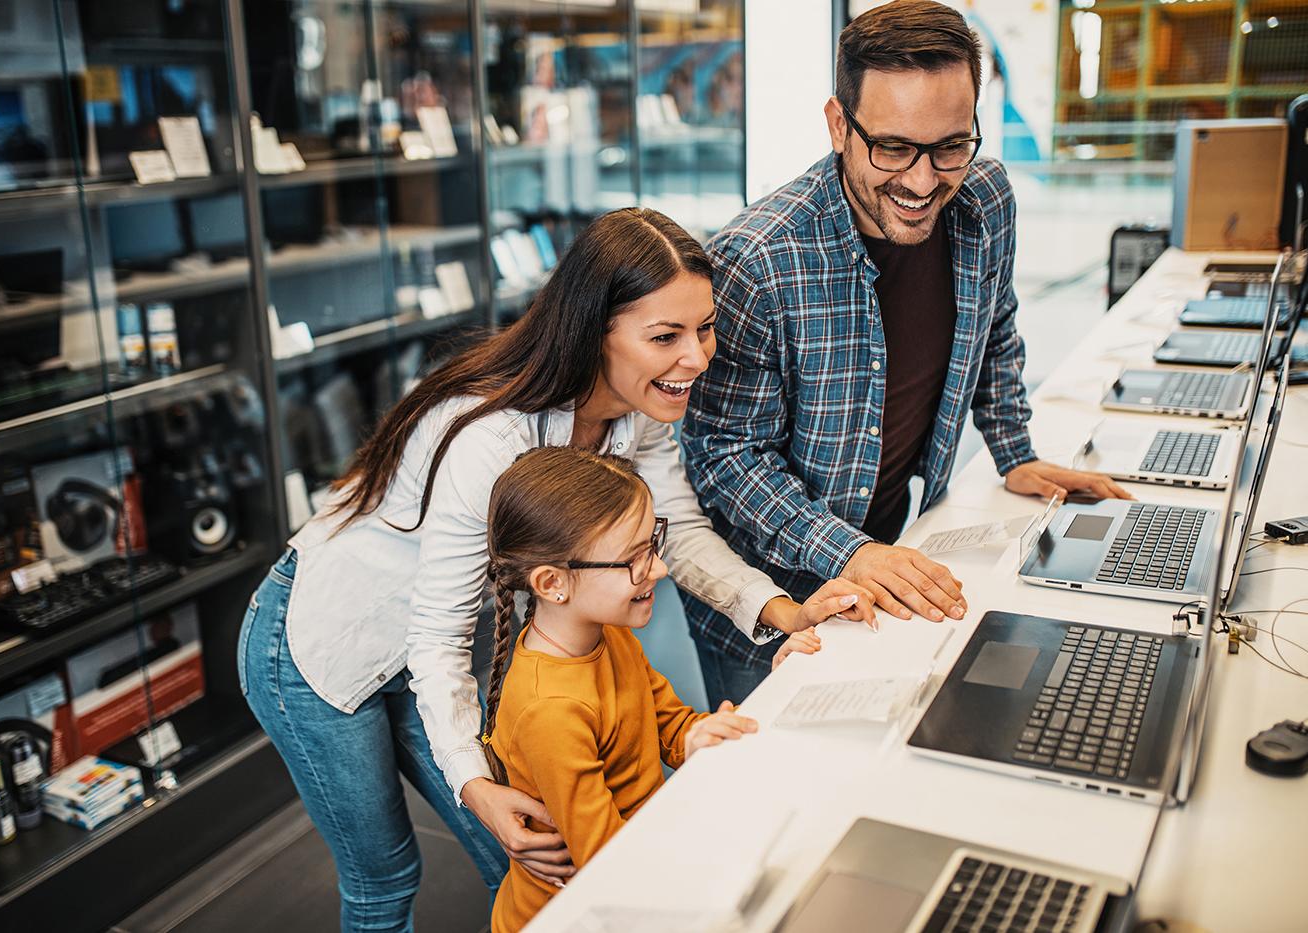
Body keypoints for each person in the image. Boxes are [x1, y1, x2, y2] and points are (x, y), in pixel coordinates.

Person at [238, 207, 873, 932]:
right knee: (386, 878)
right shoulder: (489, 436)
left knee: (527, 858)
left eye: (704, 327)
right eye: (665, 336)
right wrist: (476, 784)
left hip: (431, 644)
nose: (696, 357)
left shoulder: (638, 409)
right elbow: (436, 640)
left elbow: (682, 532)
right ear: (592, 329)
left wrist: (781, 611)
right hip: (321, 643)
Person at [680, 0, 1132, 708]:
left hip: (888, 546)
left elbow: (995, 324)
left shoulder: (986, 200)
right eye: (892, 148)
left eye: (950, 146)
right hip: (767, 597)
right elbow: (726, 457)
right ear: (839, 125)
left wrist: (1014, 451)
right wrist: (849, 551)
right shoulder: (756, 259)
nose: (923, 183)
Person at [480, 447, 846, 931]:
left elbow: (669, 724)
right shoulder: (551, 710)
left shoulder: (607, 632)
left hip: (643, 861)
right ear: (553, 584)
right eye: (633, 559)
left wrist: (700, 735)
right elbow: (607, 861)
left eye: (653, 544)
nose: (659, 569)